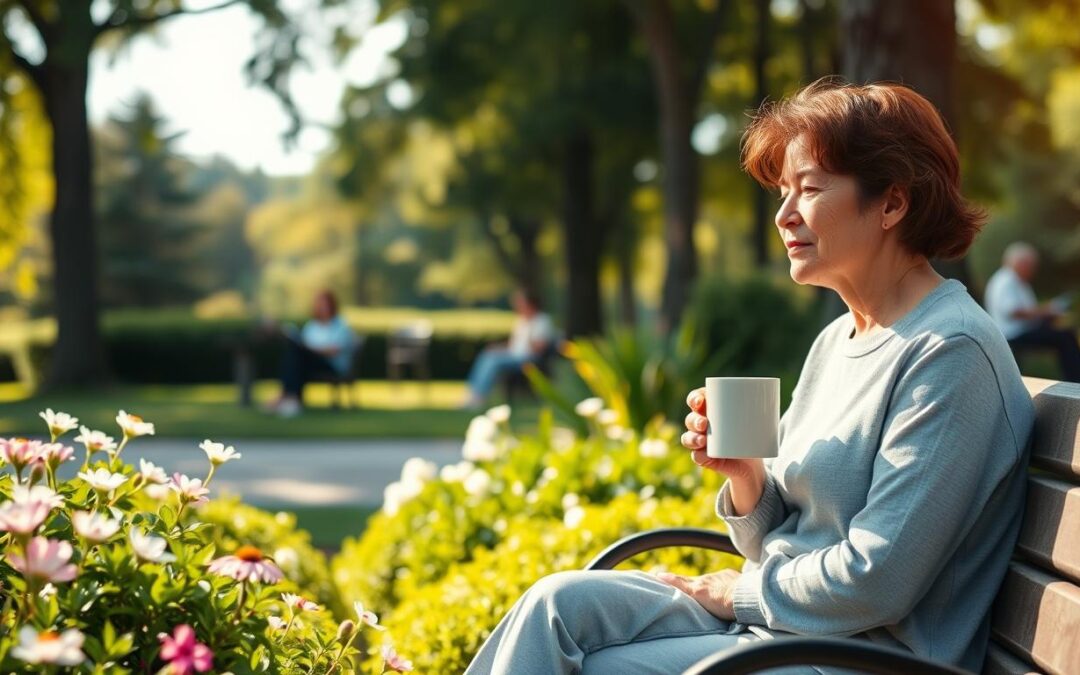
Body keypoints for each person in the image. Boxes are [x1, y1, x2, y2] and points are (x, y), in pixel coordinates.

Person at [465, 79, 1035, 674]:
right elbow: (780, 531)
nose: (784, 215)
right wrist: (745, 475)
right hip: (782, 624)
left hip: (862, 656)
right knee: (558, 605)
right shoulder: (838, 340)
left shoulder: (949, 352)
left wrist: (733, 593)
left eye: (809, 189)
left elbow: (877, 581)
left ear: (892, 204)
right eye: (783, 192)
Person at [984, 242, 1080, 381]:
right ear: (1021, 263)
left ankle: (1074, 377)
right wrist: (1046, 311)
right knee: (1064, 337)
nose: (1033, 270)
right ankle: (1075, 379)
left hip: (1022, 329)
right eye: (1031, 266)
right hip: (1014, 333)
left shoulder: (1013, 280)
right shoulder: (1006, 281)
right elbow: (1015, 312)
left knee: (1063, 331)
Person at [266, 290, 357, 417]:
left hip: (332, 365)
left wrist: (312, 350)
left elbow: (334, 350)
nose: (322, 308)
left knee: (297, 356)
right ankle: (290, 398)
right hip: (310, 362)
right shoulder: (312, 326)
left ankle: (288, 397)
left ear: (332, 305)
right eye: (319, 304)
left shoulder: (340, 325)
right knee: (294, 353)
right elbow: (302, 344)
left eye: (325, 304)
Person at [461, 288, 556, 409]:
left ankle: (478, 397)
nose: (517, 306)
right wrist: (497, 348)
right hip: (513, 356)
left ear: (529, 303)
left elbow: (540, 348)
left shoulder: (542, 321)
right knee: (487, 355)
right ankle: (472, 393)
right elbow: (513, 345)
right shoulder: (521, 320)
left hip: (529, 359)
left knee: (493, 361)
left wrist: (531, 335)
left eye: (520, 302)